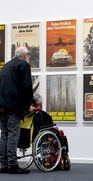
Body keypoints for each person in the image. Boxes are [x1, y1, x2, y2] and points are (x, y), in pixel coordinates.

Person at [0, 46, 33, 174]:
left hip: (1, 105)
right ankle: (13, 165)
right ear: (24, 55)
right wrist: (27, 105)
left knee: (4, 135)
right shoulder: (23, 65)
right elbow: (26, 87)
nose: (29, 57)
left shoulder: (6, 66)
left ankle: (3, 165)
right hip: (13, 106)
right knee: (13, 135)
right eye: (28, 54)